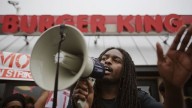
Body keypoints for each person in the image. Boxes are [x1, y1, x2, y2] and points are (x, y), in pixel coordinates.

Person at [68, 24, 192, 108]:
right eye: (103, 58)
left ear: (125, 71)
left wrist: (173, 88)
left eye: (116, 60)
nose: (107, 61)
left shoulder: (138, 99)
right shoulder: (83, 96)